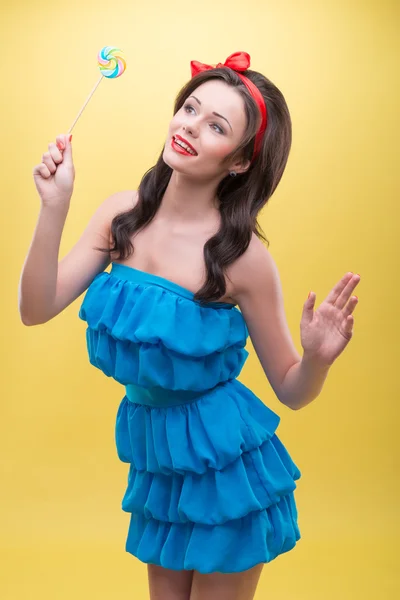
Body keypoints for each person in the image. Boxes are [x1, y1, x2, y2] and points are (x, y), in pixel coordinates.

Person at [19, 51, 360, 600]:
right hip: (160, 459)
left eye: (216, 125)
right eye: (190, 108)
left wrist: (316, 357)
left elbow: (292, 392)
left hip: (223, 463)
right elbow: (35, 309)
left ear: (241, 162)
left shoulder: (243, 258)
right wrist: (53, 207)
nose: (189, 127)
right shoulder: (120, 215)